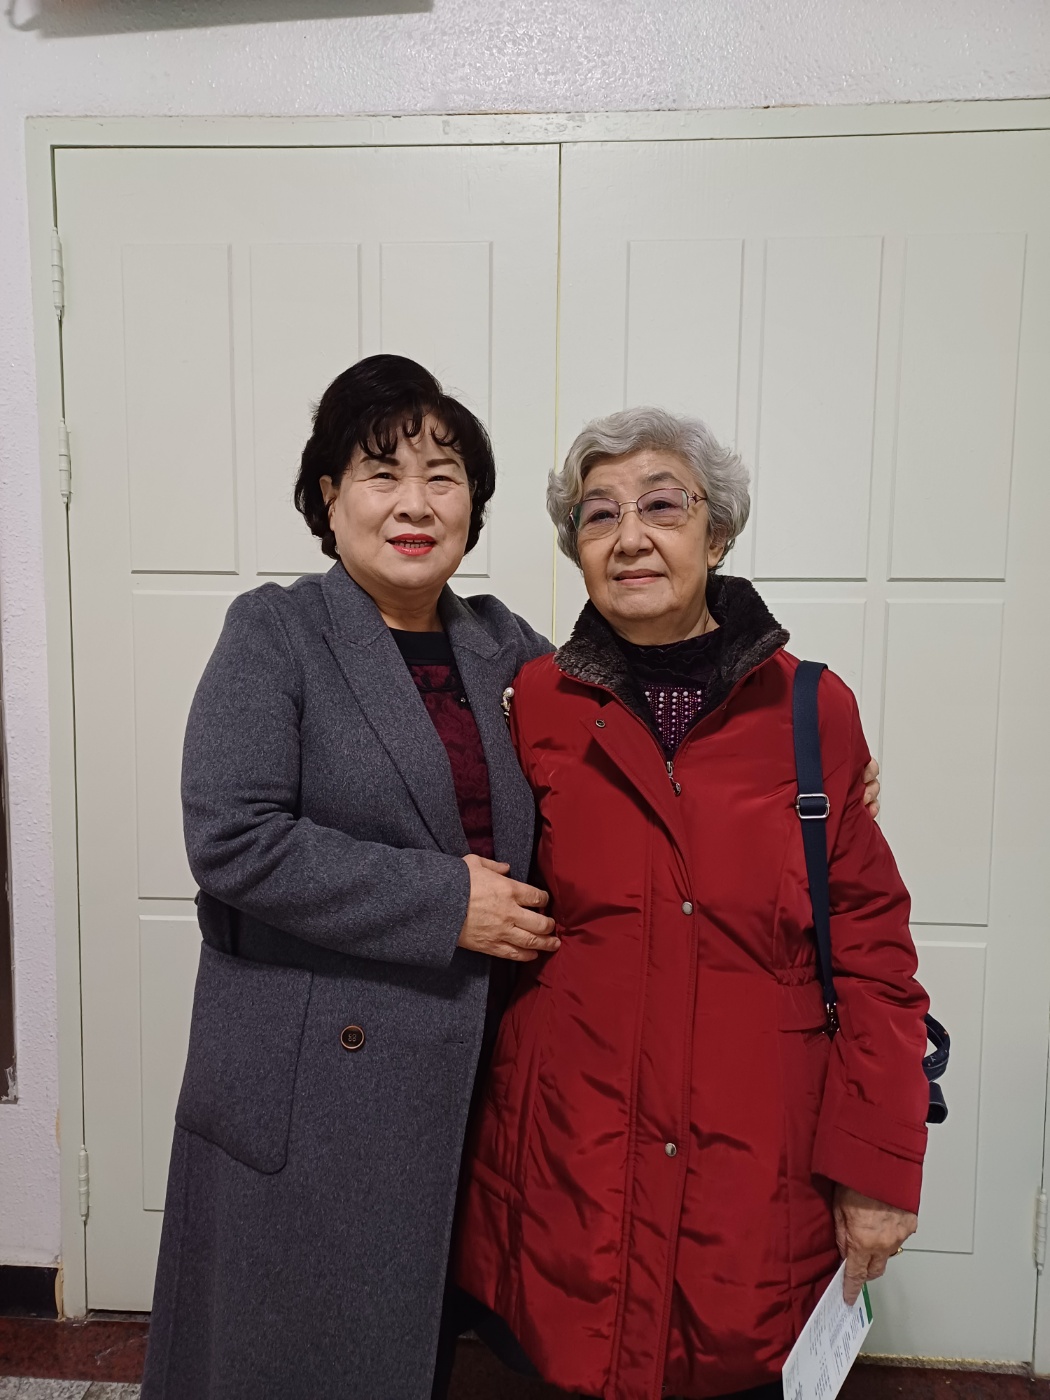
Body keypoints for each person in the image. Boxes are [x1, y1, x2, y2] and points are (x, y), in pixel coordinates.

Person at [454, 407, 928, 1400]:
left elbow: (876, 955)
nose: (630, 535)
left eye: (662, 505)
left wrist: (879, 1169)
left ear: (717, 534)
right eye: (599, 514)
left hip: (755, 1171)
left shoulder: (813, 710)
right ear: (578, 549)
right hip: (573, 1157)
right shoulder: (530, 700)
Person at [140, 355, 561, 1400]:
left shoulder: (507, 644)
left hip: (466, 1067)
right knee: (280, 1356)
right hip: (310, 1077)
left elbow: (635, 726)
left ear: (474, 505)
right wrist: (447, 903)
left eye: (443, 475)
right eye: (382, 473)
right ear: (329, 497)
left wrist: (808, 748)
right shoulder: (276, 632)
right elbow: (233, 837)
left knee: (413, 1348)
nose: (415, 503)